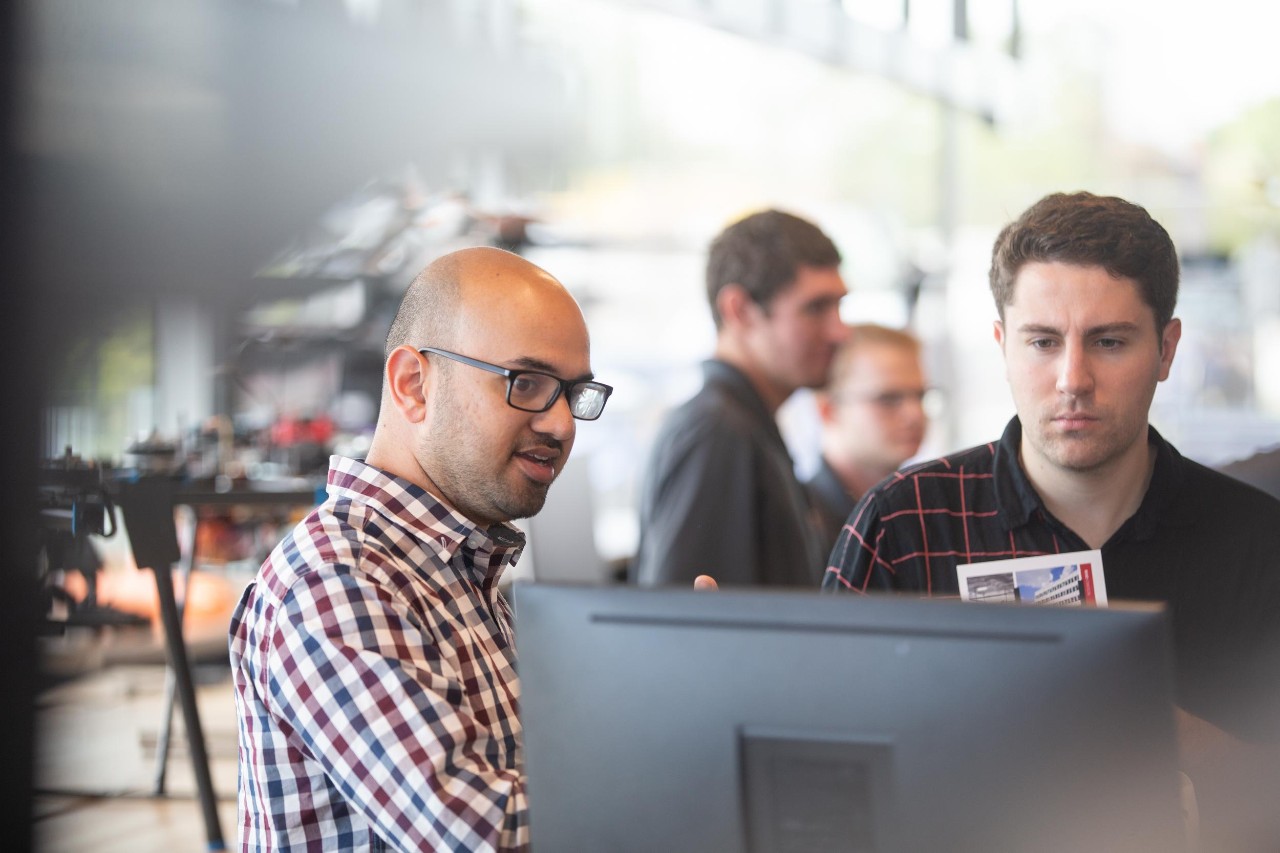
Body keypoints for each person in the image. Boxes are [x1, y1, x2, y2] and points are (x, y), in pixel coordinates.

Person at [823, 191, 1280, 847]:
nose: (1073, 378)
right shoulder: (903, 524)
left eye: (1110, 341)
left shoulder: (1258, 541)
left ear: (1167, 349)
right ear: (1003, 344)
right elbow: (830, 781)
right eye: (1042, 341)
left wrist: (1152, 721)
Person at [228, 247, 612, 852]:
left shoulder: (460, 569)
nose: (562, 424)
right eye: (528, 383)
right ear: (413, 384)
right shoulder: (337, 580)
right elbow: (483, 838)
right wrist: (687, 756)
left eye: (574, 393)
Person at [631, 209, 848, 587]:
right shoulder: (717, 433)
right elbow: (679, 623)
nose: (839, 331)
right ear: (740, 310)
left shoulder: (743, 424)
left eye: (839, 306)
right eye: (816, 308)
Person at [807, 323, 928, 551]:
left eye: (920, 396)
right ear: (828, 409)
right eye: (888, 399)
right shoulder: (803, 521)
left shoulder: (925, 508)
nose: (915, 414)